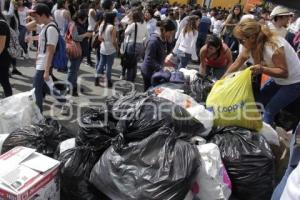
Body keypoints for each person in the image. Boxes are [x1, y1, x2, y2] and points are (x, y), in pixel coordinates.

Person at [224, 19, 300, 125]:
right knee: (257, 105)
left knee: (269, 111)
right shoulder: (250, 46)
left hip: (295, 82)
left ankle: (261, 139)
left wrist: (263, 69)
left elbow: (284, 72)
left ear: (252, 38)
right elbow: (237, 64)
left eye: (241, 40)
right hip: (278, 80)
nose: (240, 43)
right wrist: (221, 81)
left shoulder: (273, 46)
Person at [29, 3, 59, 112]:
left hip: (44, 64)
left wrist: (46, 71)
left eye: (36, 16)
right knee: (45, 86)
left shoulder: (51, 28)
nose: (34, 19)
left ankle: (39, 115)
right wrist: (32, 38)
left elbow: (50, 52)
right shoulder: (45, 25)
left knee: (36, 89)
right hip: (41, 62)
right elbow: (41, 36)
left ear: (43, 15)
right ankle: (62, 99)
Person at [141, 19, 176, 91]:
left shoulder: (164, 39)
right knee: (148, 91)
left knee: (155, 91)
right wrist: (162, 68)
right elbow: (149, 59)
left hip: (156, 70)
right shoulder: (153, 41)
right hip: (149, 72)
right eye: (170, 32)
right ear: (163, 30)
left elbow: (167, 52)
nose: (171, 35)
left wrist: (169, 42)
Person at [67, 11, 92, 96]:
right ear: (79, 18)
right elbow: (75, 37)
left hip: (78, 50)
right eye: (84, 19)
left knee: (75, 69)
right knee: (73, 70)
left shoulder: (74, 24)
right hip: (76, 50)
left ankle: (74, 85)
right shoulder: (74, 25)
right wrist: (86, 35)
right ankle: (70, 88)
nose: (85, 20)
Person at [122, 9, 147, 82]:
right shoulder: (144, 23)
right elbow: (146, 35)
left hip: (132, 45)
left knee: (130, 64)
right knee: (134, 63)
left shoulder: (133, 24)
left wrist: (129, 24)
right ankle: (133, 78)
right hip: (140, 45)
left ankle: (129, 81)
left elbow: (125, 32)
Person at [95, 12, 117, 88]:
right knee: (109, 66)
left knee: (101, 64)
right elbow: (114, 41)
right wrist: (117, 48)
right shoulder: (112, 27)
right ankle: (108, 81)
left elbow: (99, 37)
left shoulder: (102, 25)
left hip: (103, 47)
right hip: (110, 48)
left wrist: (104, 40)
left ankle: (97, 79)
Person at [0, 10, 13, 97]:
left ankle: (10, 102)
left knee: (4, 80)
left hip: (2, 58)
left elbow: (1, 46)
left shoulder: (1, 24)